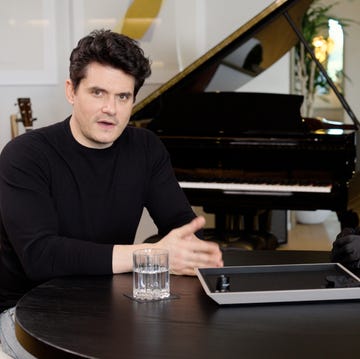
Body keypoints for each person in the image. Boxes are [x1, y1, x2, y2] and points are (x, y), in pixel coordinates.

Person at [0, 29, 223, 358]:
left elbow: (183, 226)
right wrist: (151, 256)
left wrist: (189, 250)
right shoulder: (25, 154)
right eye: (98, 93)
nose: (111, 109)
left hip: (107, 304)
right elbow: (41, 256)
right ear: (71, 91)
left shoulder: (145, 148)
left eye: (123, 97)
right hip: (26, 312)